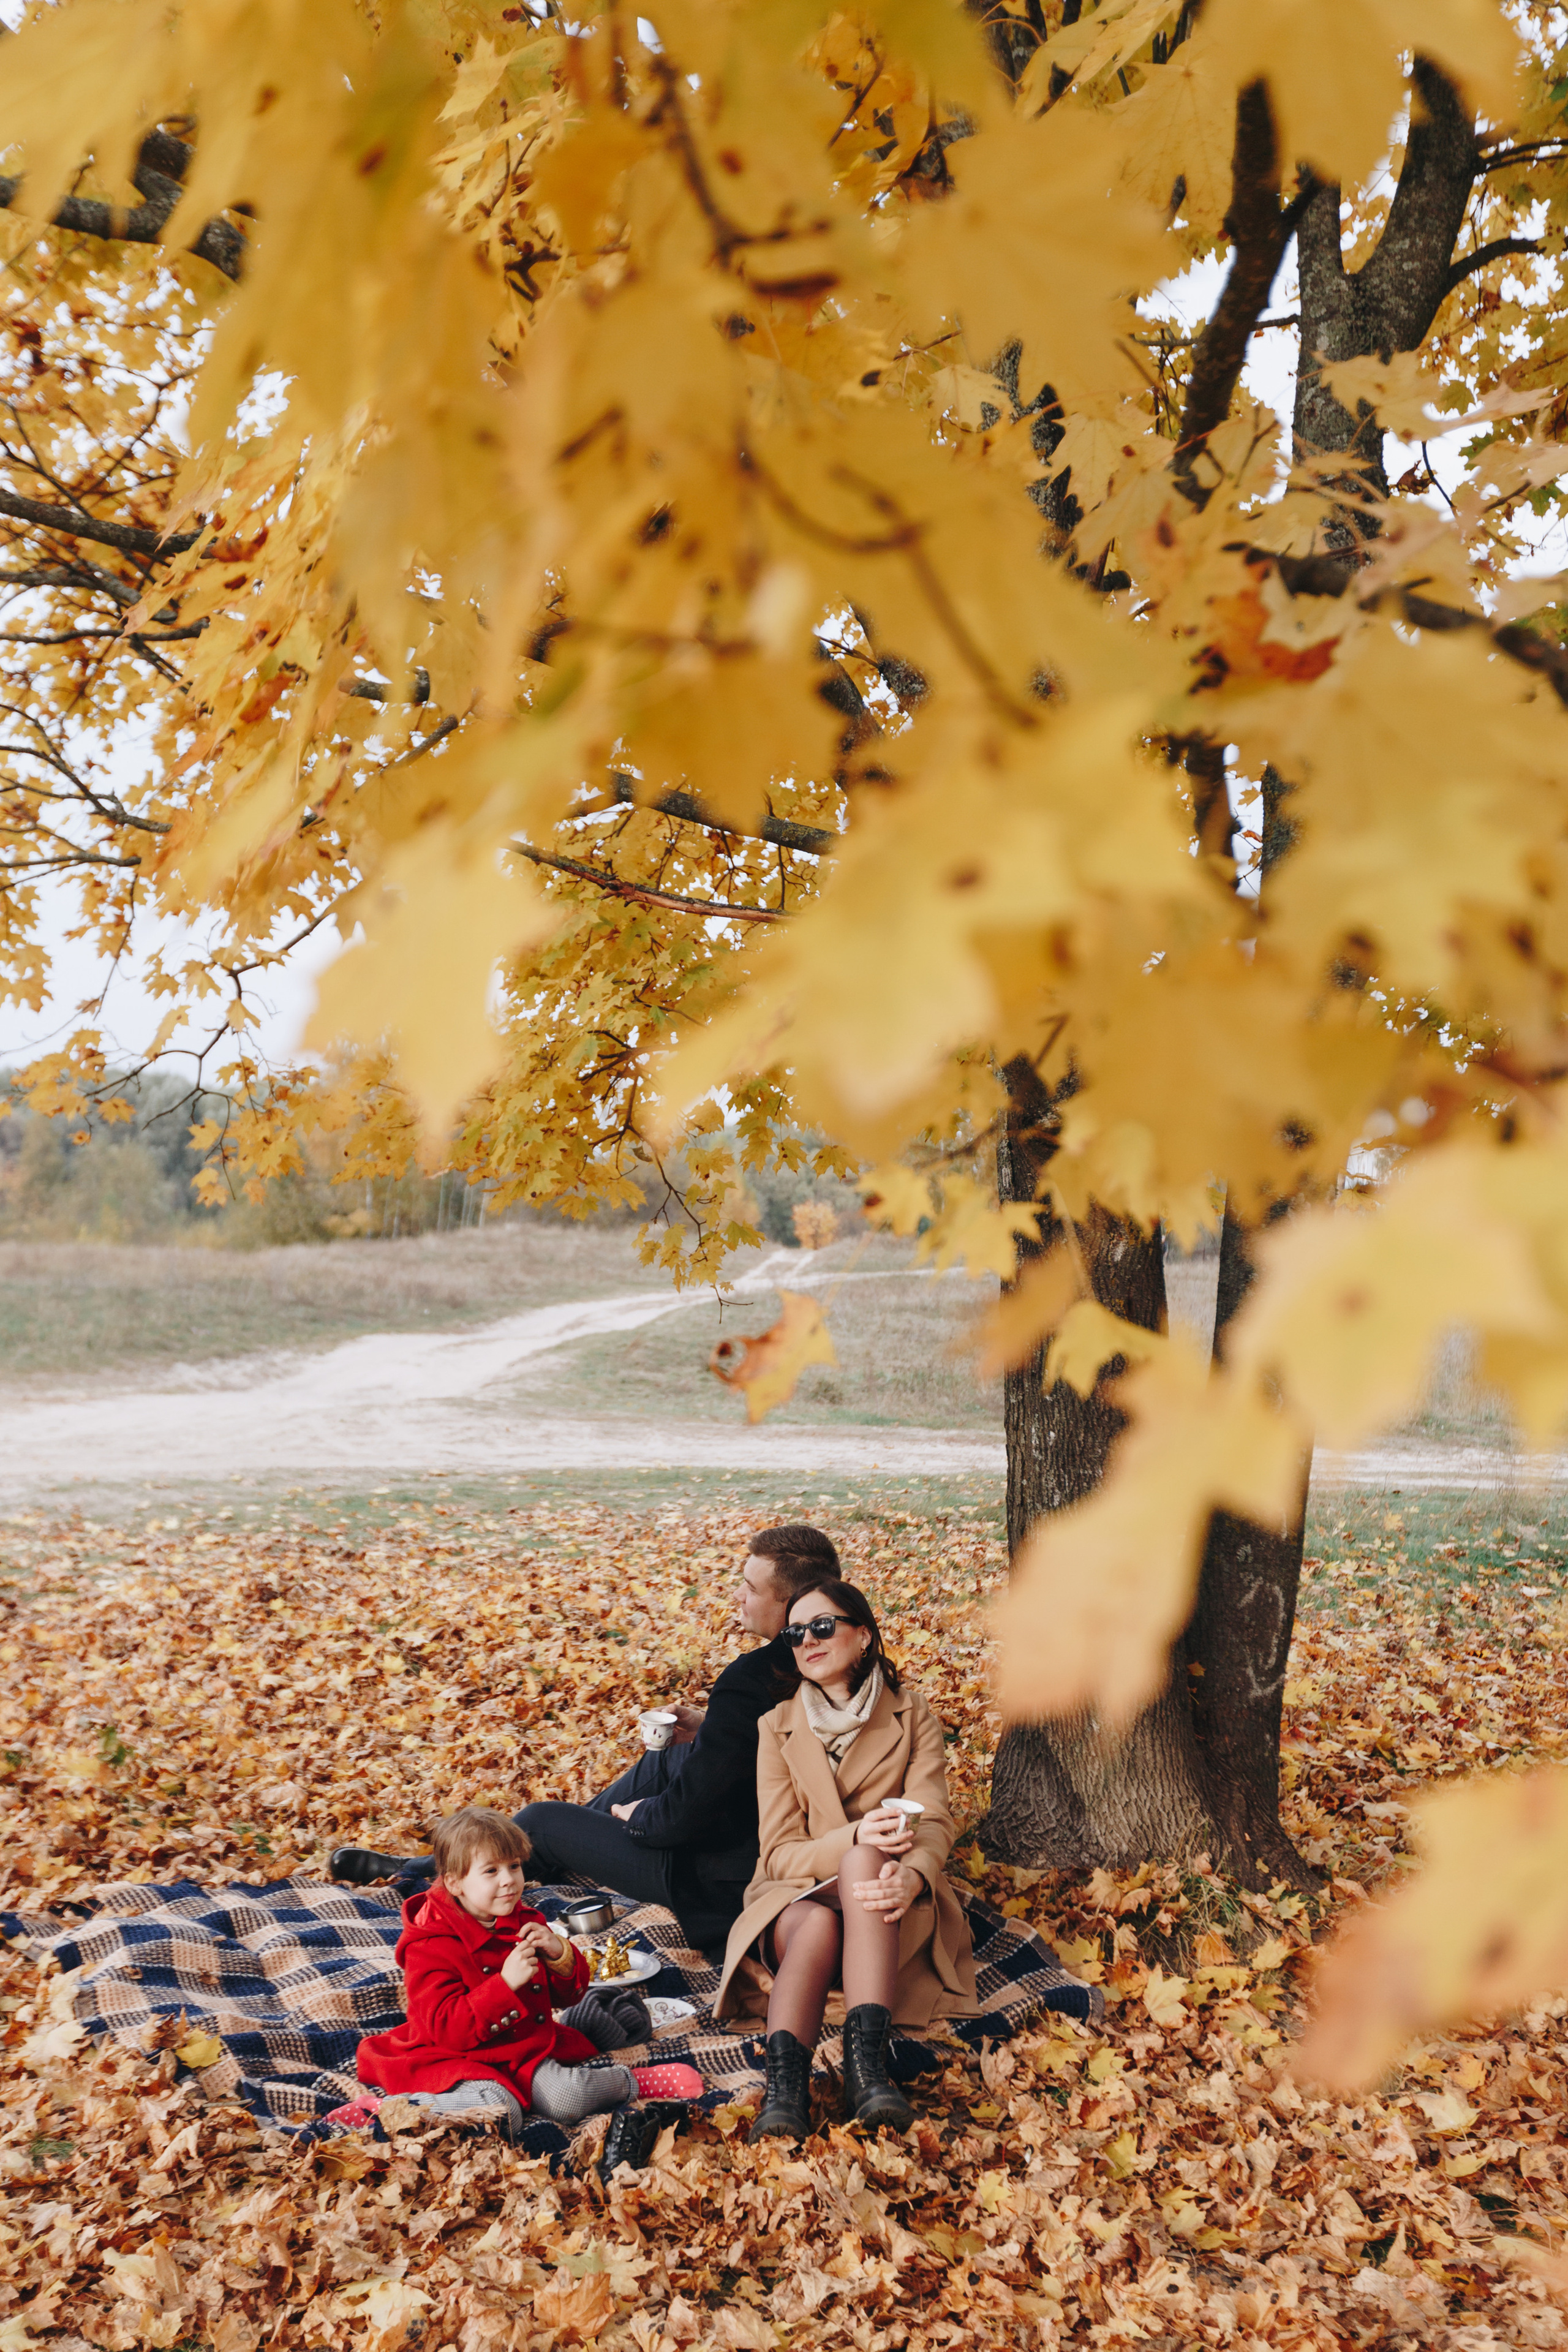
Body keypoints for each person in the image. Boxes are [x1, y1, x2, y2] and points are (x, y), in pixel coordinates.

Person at [330, 1525, 842, 1960]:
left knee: (542, 1819)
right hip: (755, 1829)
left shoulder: (750, 1680)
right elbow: (769, 1749)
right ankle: (540, 1851)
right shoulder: (840, 1655)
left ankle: (457, 1868)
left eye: (750, 1588)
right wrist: (710, 1728)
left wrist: (638, 1818)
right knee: (663, 1757)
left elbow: (686, 1817)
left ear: (791, 1603)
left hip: (722, 1877)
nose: (738, 1596)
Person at [713, 1578, 978, 2141]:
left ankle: (864, 2073)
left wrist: (913, 1876)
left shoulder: (912, 1715)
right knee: (817, 1914)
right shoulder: (775, 1726)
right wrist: (857, 1833)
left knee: (863, 1868)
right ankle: (790, 2092)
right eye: (795, 1632)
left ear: (862, 1635)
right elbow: (780, 1855)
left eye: (823, 1626)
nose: (807, 1640)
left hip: (889, 1902)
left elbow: (932, 1819)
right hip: (796, 1897)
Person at [353, 1804, 702, 2135]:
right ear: (455, 1883)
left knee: (568, 2098)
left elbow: (571, 1996)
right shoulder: (429, 1945)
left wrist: (559, 1954)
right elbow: (446, 2029)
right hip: (455, 2058)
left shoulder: (521, 1919)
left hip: (521, 2050)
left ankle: (634, 2081)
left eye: (515, 1866)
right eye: (491, 1871)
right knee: (502, 2112)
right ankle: (387, 2113)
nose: (508, 1880)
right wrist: (504, 1985)